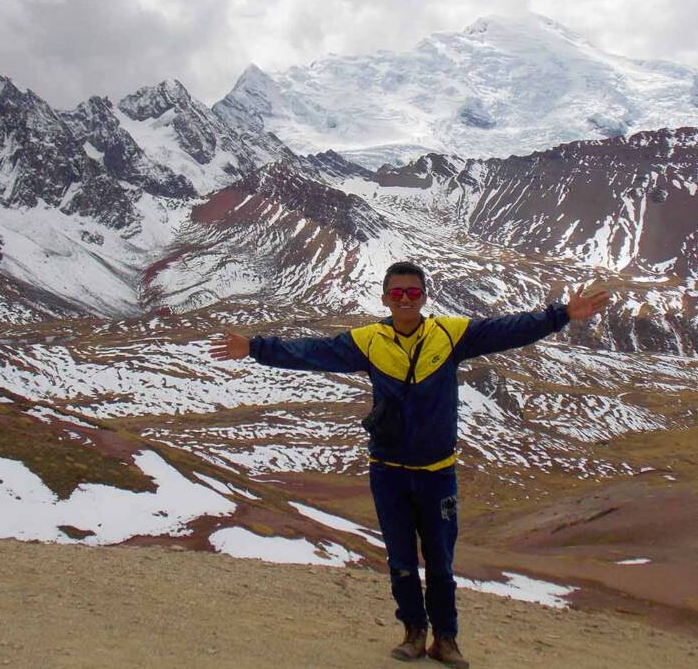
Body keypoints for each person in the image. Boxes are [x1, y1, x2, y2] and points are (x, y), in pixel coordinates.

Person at [209, 261, 610, 668]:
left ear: (424, 297)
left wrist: (561, 315)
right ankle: (414, 634)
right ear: (385, 298)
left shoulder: (450, 335)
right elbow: (314, 352)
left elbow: (505, 330)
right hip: (388, 471)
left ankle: (446, 640)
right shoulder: (368, 341)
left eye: (412, 293)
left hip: (439, 473)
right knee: (401, 559)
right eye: (397, 293)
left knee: (440, 561)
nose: (404, 300)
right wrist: (255, 348)